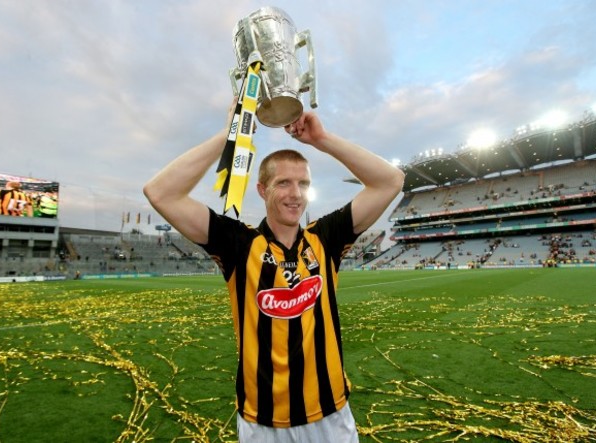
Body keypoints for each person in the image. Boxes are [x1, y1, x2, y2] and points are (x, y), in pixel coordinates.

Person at [143, 98, 405, 442]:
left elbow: (391, 181)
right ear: (262, 190)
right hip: (263, 423)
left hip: (330, 415)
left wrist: (321, 139)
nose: (295, 194)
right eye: (283, 183)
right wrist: (229, 135)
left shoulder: (325, 238)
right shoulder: (239, 244)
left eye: (304, 184)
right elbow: (160, 192)